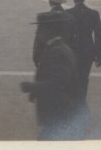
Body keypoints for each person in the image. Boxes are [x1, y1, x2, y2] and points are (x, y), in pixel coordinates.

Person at [21, 11, 82, 140]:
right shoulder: (56, 48)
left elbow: (57, 84)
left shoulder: (58, 52)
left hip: (60, 112)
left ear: (50, 31)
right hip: (58, 113)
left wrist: (32, 87)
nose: (37, 33)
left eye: (40, 28)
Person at [67, 0, 101, 106]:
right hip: (88, 50)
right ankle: (81, 103)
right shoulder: (94, 14)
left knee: (72, 79)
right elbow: (99, 35)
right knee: (84, 78)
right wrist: (100, 55)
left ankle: (73, 105)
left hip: (72, 51)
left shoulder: (67, 13)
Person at [33, 0, 76, 67]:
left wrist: (36, 58)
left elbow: (39, 40)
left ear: (50, 1)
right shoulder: (70, 17)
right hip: (65, 57)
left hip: (48, 57)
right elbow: (73, 40)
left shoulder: (44, 17)